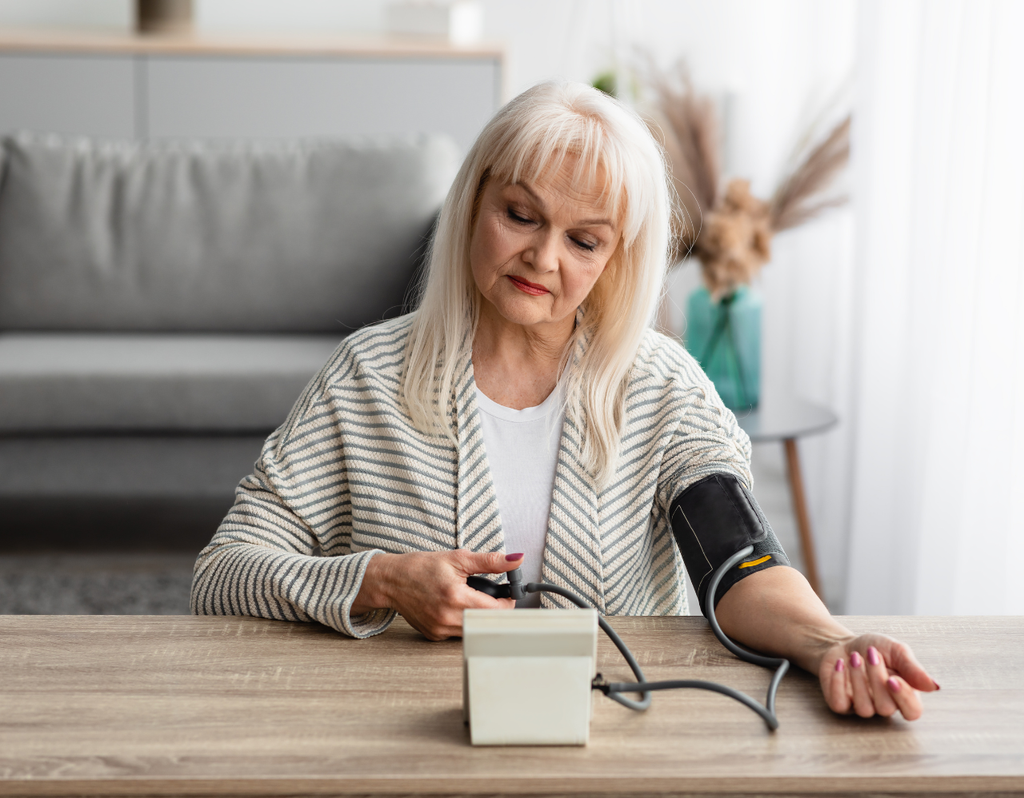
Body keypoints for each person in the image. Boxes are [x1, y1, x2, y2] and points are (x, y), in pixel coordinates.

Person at [191, 80, 938, 721]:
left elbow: (738, 563)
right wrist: (378, 580)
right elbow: (224, 571)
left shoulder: (664, 389)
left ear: (619, 258)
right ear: (474, 198)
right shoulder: (366, 378)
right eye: (521, 215)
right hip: (406, 747)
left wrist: (831, 642)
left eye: (584, 241)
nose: (543, 259)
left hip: (615, 750)